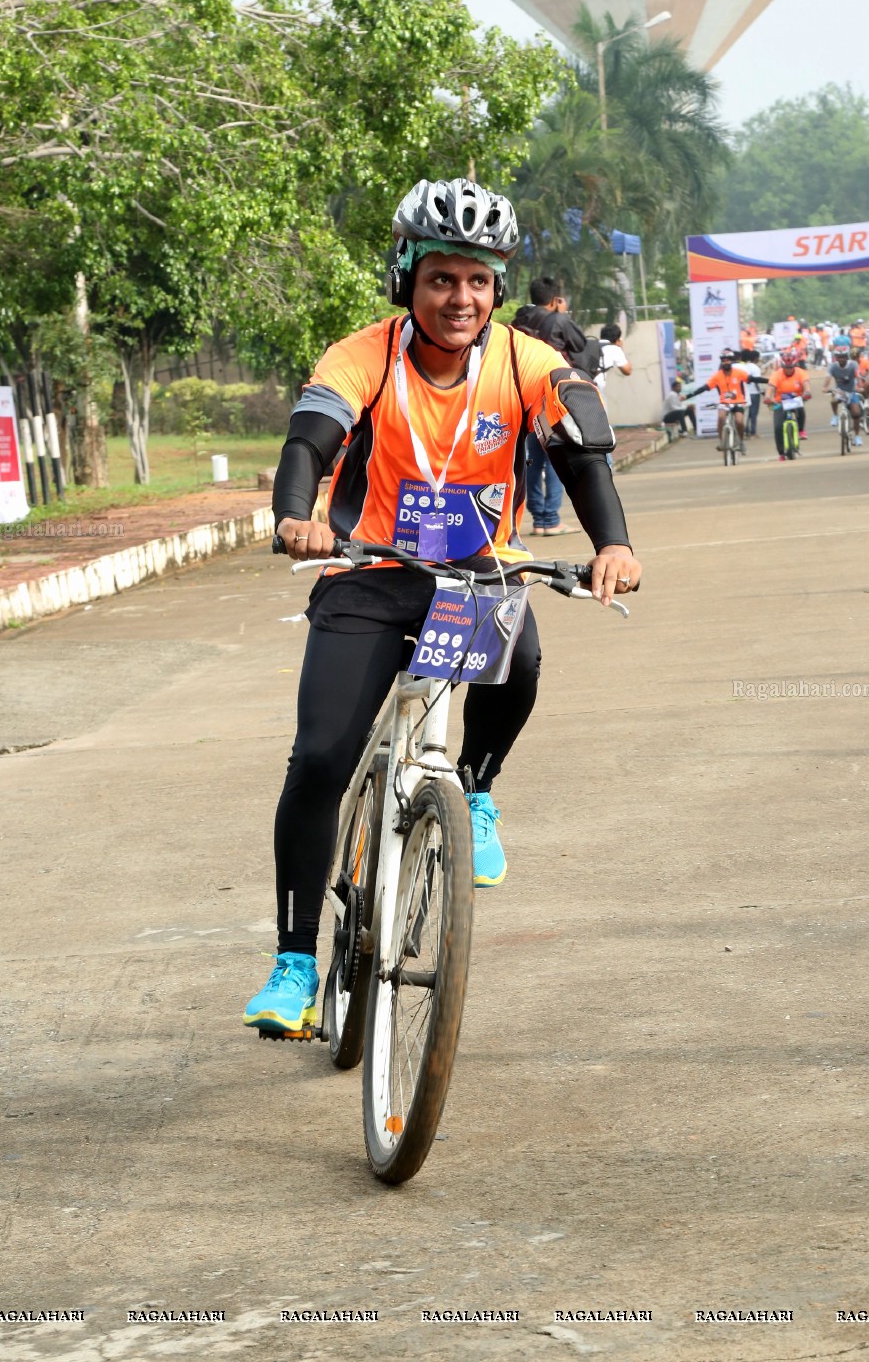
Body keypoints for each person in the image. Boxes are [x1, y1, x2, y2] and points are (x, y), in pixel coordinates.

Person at [242, 177, 642, 1035]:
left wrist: (613, 542)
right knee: (319, 756)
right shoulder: (361, 357)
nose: (461, 298)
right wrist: (295, 516)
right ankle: (294, 962)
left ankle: (478, 787)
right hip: (368, 573)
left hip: (475, 575)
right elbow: (309, 441)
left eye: (479, 280)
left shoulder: (525, 362)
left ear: (498, 289)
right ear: (407, 277)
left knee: (524, 659)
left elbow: (582, 454)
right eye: (441, 278)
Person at [513, 276, 597, 536]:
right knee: (554, 454)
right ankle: (551, 519)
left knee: (533, 459)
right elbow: (581, 344)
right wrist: (561, 314)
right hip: (551, 392)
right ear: (554, 299)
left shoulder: (519, 320)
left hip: (522, 393)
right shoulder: (559, 319)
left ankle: (538, 518)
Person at [684, 348, 750, 451]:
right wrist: (688, 396)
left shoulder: (739, 373)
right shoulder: (717, 376)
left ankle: (741, 442)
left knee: (739, 422)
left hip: (738, 402)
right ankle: (721, 442)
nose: (726, 362)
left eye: (728, 360)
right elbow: (704, 388)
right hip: (724, 403)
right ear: (721, 362)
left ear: (732, 360)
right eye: (724, 360)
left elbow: (751, 380)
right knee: (721, 417)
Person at [766, 348, 811, 459]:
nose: (789, 370)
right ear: (782, 366)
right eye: (786, 367)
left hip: (796, 399)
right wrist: (768, 397)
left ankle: (801, 430)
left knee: (800, 408)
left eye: (791, 367)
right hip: (780, 402)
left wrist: (807, 392)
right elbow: (771, 388)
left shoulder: (801, 373)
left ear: (794, 365)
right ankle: (781, 453)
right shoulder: (777, 375)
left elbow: (806, 385)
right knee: (777, 427)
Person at [823, 337, 864, 447]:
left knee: (856, 413)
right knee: (832, 396)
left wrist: (859, 386)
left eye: (843, 357)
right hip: (840, 392)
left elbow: (858, 376)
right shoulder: (832, 366)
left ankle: (857, 436)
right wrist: (825, 387)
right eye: (839, 357)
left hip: (851, 392)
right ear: (836, 357)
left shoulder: (853, 364)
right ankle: (835, 415)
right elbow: (828, 378)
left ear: (847, 357)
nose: (841, 359)